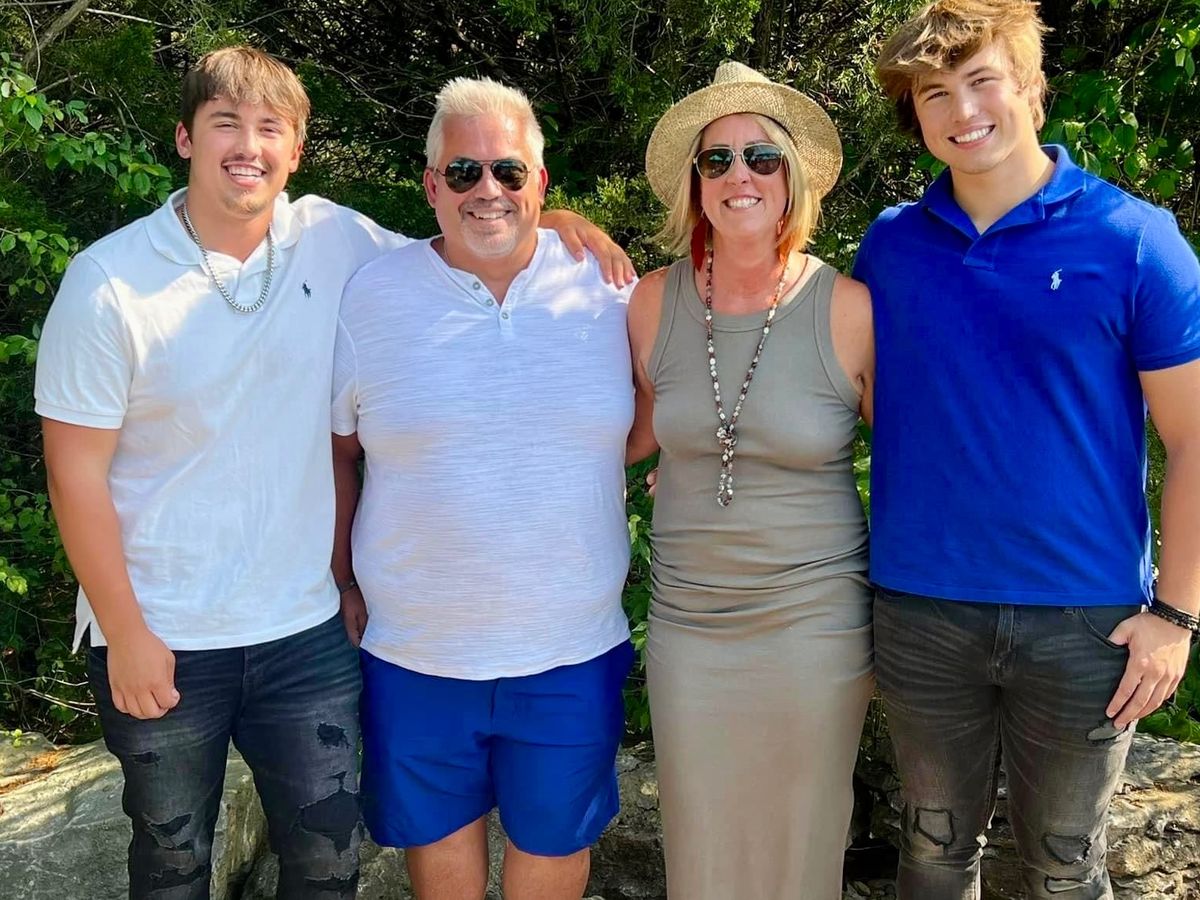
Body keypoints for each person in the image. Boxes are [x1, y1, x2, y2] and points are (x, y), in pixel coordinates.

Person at [34, 46, 632, 900]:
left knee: (326, 864)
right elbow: (75, 477)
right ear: (184, 137)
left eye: (269, 128)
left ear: (296, 150)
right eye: (225, 124)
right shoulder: (111, 282)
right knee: (170, 861)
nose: (248, 147)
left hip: (310, 631)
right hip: (176, 627)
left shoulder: (337, 241)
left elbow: (480, 240)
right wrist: (126, 632)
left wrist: (567, 220)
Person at [854, 2, 1200, 897]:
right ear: (915, 114)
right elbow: (855, 391)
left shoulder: (1134, 241)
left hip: (1085, 621)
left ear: (1032, 88)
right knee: (931, 856)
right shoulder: (890, 247)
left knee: (1063, 870)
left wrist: (1177, 616)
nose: (963, 110)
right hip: (923, 611)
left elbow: (1195, 435)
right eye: (935, 93)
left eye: (982, 81)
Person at [330, 76, 635, 900]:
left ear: (541, 182)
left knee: (554, 849)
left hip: (571, 647)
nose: (487, 189)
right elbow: (339, 450)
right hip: (415, 650)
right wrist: (343, 577)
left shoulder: (611, 290)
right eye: (464, 172)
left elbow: (647, 428)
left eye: (508, 170)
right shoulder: (372, 295)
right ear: (431, 185)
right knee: (439, 860)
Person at [625, 62, 875, 899]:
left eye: (761, 157)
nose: (740, 175)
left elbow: (922, 459)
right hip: (688, 623)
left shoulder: (850, 309)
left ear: (791, 176)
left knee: (802, 843)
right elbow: (624, 435)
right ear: (696, 185)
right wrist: (550, 220)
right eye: (718, 159)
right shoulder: (650, 304)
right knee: (699, 843)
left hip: (814, 622)